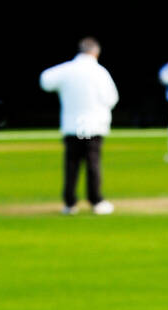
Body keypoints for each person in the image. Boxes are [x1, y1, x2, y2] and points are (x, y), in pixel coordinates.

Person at [39, 37, 118, 215]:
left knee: (72, 164)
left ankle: (70, 203)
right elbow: (111, 98)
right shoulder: (99, 72)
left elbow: (45, 80)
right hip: (91, 126)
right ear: (96, 53)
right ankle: (96, 200)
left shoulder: (67, 69)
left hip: (73, 126)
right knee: (92, 162)